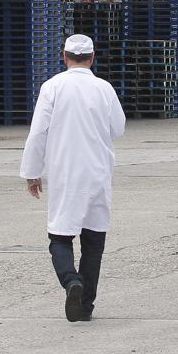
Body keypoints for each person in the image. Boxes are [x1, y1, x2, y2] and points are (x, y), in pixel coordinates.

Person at [20, 34, 127, 323]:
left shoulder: (52, 86)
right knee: (93, 242)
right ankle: (85, 307)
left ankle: (71, 282)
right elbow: (118, 128)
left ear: (64, 56)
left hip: (65, 174)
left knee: (60, 236)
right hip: (97, 173)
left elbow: (38, 132)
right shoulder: (103, 88)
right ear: (92, 58)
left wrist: (32, 172)